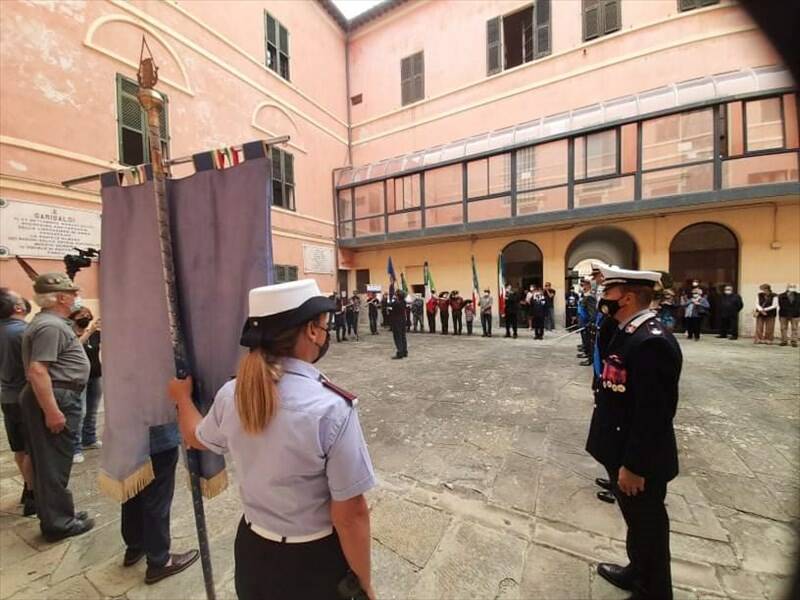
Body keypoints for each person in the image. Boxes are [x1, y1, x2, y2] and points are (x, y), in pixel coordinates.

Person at [170, 279, 376, 600]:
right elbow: (350, 515)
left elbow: (196, 437)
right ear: (311, 331)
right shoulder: (331, 408)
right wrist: (365, 584)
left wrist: (182, 399)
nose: (325, 333)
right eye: (323, 326)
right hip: (314, 561)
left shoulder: (231, 393)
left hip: (254, 552)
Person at [586, 265, 683, 600]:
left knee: (649, 527)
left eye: (609, 293)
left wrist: (635, 465)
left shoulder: (650, 342)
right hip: (621, 447)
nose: (604, 298)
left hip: (638, 460)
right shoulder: (627, 330)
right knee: (637, 523)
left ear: (625, 297)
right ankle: (636, 570)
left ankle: (653, 591)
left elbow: (653, 415)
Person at [20, 273, 94, 541]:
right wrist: (52, 410)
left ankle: (57, 513)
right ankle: (59, 523)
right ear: (61, 297)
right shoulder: (50, 326)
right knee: (53, 462)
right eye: (72, 294)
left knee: (50, 460)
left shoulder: (52, 323)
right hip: (57, 395)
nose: (76, 297)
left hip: (58, 393)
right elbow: (38, 370)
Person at [0, 288, 36, 516]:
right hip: (26, 396)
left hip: (7, 396)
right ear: (18, 307)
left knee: (19, 447)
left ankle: (27, 486)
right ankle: (34, 494)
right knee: (33, 448)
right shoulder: (25, 332)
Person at [67, 307, 103, 464]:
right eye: (82, 315)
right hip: (77, 379)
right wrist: (89, 331)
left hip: (95, 376)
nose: (85, 317)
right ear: (73, 318)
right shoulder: (68, 334)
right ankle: (75, 448)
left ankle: (89, 439)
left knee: (92, 411)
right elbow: (75, 348)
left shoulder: (96, 334)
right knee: (79, 413)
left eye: (88, 315)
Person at [389, 289, 409, 359]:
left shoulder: (396, 303)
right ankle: (404, 351)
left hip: (397, 322)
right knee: (403, 336)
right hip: (403, 321)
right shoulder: (404, 302)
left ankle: (400, 353)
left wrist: (393, 298)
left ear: (398, 296)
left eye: (396, 294)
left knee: (398, 337)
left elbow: (389, 304)